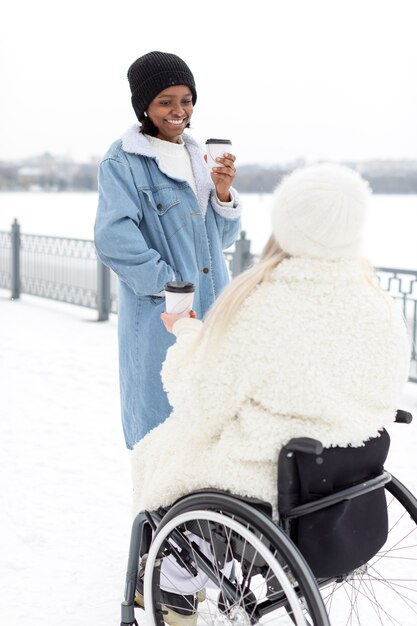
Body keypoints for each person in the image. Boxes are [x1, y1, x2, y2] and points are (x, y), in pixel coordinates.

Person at [131, 162, 411, 516]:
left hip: (268, 472)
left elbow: (201, 405)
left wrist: (185, 333)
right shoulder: (378, 301)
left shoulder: (263, 306)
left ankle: (177, 565)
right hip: (347, 470)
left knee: (155, 450)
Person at [94, 51, 242, 450]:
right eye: (166, 101)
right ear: (145, 105)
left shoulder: (199, 157)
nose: (179, 110)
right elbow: (113, 238)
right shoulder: (123, 160)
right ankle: (157, 514)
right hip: (163, 315)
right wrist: (171, 286)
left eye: (186, 99)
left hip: (212, 315)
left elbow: (222, 240)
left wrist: (223, 193)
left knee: (211, 431)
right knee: (161, 437)